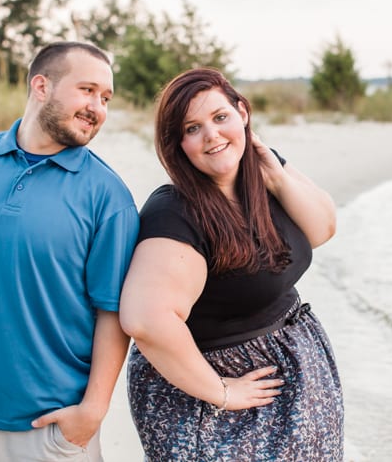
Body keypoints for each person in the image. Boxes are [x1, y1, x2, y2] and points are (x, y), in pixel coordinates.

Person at [0, 41, 139, 461]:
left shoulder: (108, 196)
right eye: (87, 90)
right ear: (41, 85)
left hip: (50, 427)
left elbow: (112, 311)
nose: (98, 107)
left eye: (106, 98)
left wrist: (93, 409)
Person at [119, 67, 344, 461]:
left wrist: (275, 174)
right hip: (217, 400)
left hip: (289, 386)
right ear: (178, 145)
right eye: (192, 128)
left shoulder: (262, 174)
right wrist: (222, 391)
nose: (212, 136)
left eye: (220, 117)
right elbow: (146, 320)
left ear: (242, 112)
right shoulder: (175, 211)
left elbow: (322, 227)